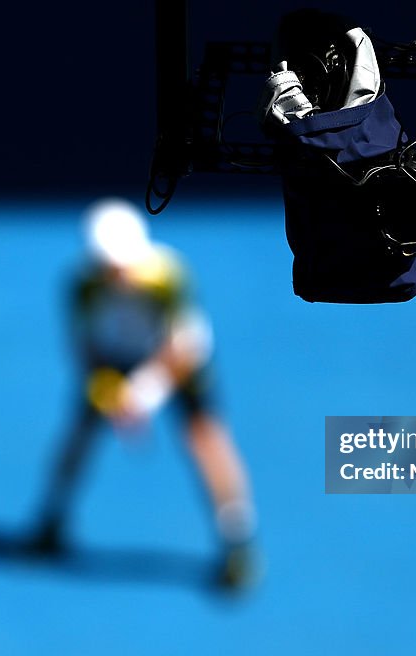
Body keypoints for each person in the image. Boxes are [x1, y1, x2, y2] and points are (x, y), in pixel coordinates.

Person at [31, 198, 257, 589]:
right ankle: (51, 522)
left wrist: (140, 397)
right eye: (110, 268)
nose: (120, 275)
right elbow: (83, 348)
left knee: (207, 440)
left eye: (124, 265)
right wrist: (107, 391)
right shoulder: (81, 284)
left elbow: (182, 350)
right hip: (113, 362)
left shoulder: (167, 276)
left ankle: (237, 544)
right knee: (77, 439)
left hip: (177, 358)